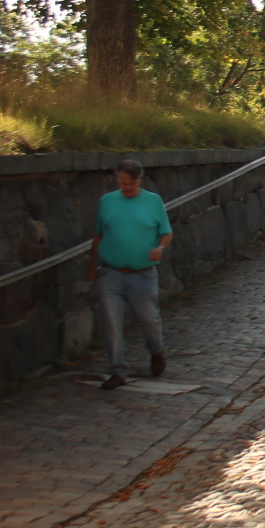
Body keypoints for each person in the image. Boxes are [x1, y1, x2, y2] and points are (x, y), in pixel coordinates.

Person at [88, 158, 173, 390]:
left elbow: (166, 233)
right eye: (124, 183)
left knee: (149, 320)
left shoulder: (153, 202)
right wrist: (92, 268)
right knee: (112, 324)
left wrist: (161, 248)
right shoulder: (107, 202)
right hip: (111, 273)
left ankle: (156, 351)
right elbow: (98, 235)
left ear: (139, 180)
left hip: (143, 274)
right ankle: (117, 370)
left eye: (132, 184)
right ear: (118, 179)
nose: (127, 187)